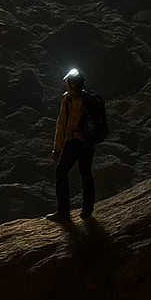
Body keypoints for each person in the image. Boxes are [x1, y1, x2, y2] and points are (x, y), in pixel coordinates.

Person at [46, 68, 96, 221]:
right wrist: (57, 148)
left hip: (81, 142)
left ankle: (72, 212)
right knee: (77, 173)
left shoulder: (86, 102)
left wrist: (58, 148)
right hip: (77, 142)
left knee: (80, 173)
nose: (65, 86)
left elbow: (62, 126)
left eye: (67, 84)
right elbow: (61, 125)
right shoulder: (68, 99)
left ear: (73, 85)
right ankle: (75, 211)